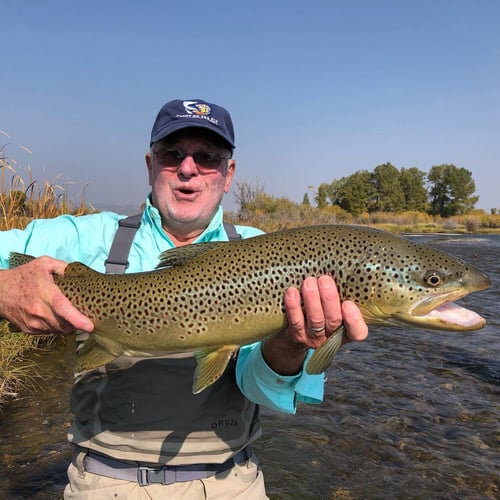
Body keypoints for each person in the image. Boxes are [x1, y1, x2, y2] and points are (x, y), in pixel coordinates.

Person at [0, 98, 368, 499]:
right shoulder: (81, 239)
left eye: (207, 157)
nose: (188, 168)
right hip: (104, 484)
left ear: (228, 174)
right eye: (172, 154)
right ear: (150, 165)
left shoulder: (271, 257)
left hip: (231, 483)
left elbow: (262, 390)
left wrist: (291, 344)